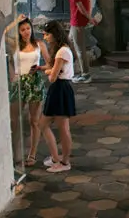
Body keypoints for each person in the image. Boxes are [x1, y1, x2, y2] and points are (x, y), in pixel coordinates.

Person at [8, 16, 51, 166]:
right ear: (18, 31)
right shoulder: (15, 45)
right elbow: (1, 35)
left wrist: (39, 68)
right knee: (14, 120)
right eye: (22, 29)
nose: (26, 32)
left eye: (28, 28)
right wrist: (14, 21)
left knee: (34, 121)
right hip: (19, 83)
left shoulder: (39, 44)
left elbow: (50, 64)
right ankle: (15, 153)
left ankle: (32, 154)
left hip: (34, 83)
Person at [38, 20, 77, 173]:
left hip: (61, 88)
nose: (45, 37)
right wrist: (43, 68)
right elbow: (52, 68)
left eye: (47, 34)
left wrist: (48, 71)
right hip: (58, 89)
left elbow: (52, 76)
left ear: (55, 34)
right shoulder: (60, 49)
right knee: (43, 124)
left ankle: (65, 161)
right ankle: (56, 157)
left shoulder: (62, 52)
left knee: (63, 128)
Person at [63, 0, 94, 83]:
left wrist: (89, 17)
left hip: (77, 19)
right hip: (77, 19)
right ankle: (76, 66)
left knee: (80, 48)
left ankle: (85, 74)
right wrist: (89, 15)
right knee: (70, 40)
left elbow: (79, 5)